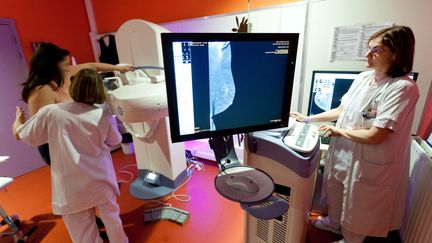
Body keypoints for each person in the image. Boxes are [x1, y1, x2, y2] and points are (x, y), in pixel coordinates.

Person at [291, 26, 419, 242]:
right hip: (343, 152)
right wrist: (306, 118)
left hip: (369, 164)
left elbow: (376, 135)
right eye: (368, 48)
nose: (367, 55)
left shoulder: (403, 87)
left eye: (376, 50)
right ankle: (333, 223)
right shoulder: (363, 78)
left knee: (357, 208)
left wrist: (337, 130)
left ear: (396, 54)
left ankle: (349, 239)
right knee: (335, 191)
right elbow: (341, 110)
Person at [13, 69, 128, 243]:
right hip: (101, 181)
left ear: (73, 86)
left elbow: (22, 135)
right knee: (113, 222)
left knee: (84, 236)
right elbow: (115, 140)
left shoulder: (51, 112)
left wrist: (18, 120)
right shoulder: (102, 114)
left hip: (71, 188)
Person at [21, 42, 132, 165]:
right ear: (52, 67)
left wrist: (119, 68)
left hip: (75, 141)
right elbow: (39, 132)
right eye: (66, 64)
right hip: (58, 147)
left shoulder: (65, 73)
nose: (70, 67)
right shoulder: (41, 91)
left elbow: (92, 66)